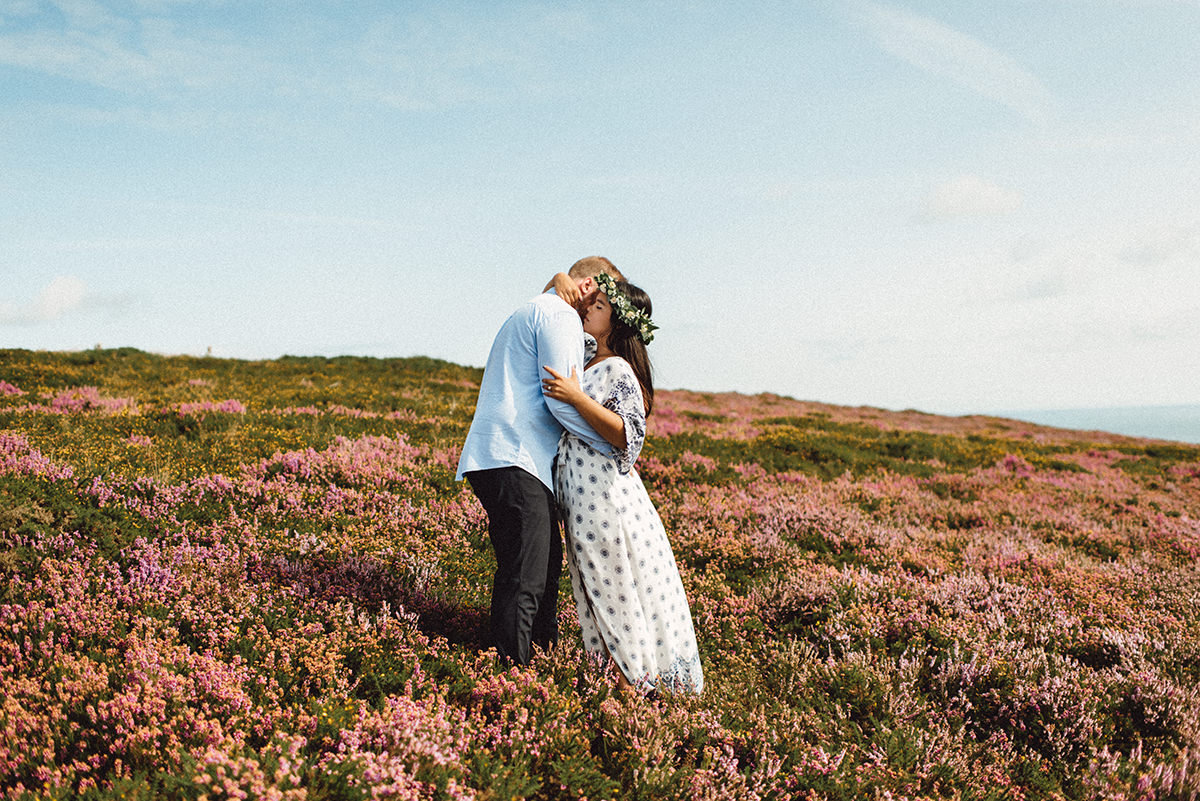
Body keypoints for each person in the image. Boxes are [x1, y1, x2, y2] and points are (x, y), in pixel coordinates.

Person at [456, 257, 624, 666]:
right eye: (604, 298)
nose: (607, 308)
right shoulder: (560, 316)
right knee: (527, 576)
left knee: (542, 570)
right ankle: (510, 675)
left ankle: (539, 666)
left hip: (510, 457)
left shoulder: (542, 307)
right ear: (587, 288)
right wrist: (606, 443)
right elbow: (561, 399)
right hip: (514, 455)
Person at [541, 274, 704, 694]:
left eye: (598, 308)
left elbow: (630, 434)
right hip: (581, 498)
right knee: (593, 587)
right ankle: (616, 681)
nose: (588, 310)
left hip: (603, 499)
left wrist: (577, 398)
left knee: (611, 587)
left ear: (617, 321)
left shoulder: (618, 369)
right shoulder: (588, 357)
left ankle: (637, 683)